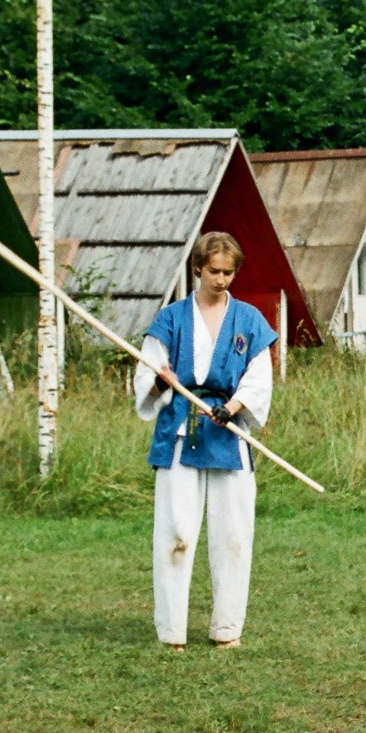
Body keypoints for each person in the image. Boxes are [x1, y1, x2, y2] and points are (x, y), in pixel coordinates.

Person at [132, 231, 278, 649]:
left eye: (228, 272)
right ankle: (172, 632)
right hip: (180, 431)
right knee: (176, 532)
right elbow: (147, 375)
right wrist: (162, 384)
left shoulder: (249, 322)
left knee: (233, 533)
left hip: (228, 435)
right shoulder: (172, 319)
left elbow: (258, 379)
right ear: (198, 268)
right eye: (213, 271)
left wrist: (233, 407)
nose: (221, 279)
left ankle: (227, 629)